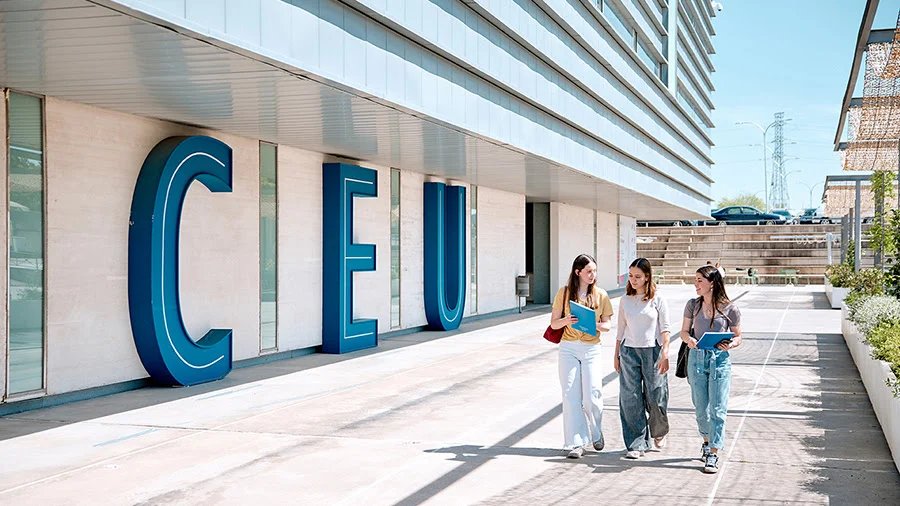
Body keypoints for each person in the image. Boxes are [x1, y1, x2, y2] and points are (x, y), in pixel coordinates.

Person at [549, 253, 614, 459]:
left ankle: (596, 432)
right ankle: (576, 443)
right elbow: (554, 324)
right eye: (588, 271)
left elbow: (607, 325)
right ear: (578, 272)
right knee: (570, 396)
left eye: (594, 271)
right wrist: (567, 320)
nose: (592, 275)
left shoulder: (601, 295)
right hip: (568, 347)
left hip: (591, 348)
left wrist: (593, 325)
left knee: (592, 394)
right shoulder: (564, 293)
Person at [680, 265, 743, 474]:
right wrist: (689, 340)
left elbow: (738, 336)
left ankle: (713, 453)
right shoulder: (692, 305)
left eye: (699, 280)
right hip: (696, 358)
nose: (695, 284)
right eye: (695, 279)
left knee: (718, 410)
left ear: (712, 283)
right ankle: (706, 441)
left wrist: (730, 344)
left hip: (720, 361)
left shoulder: (730, 309)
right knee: (701, 410)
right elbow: (683, 332)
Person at [614, 258, 671, 459]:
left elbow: (665, 329)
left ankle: (659, 431)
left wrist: (665, 352)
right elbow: (620, 330)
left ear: (647, 277)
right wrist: (616, 354)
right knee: (631, 398)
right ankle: (636, 443)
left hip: (653, 352)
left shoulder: (658, 299)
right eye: (630, 276)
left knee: (656, 394)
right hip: (629, 351)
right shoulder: (625, 300)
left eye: (638, 276)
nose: (633, 280)